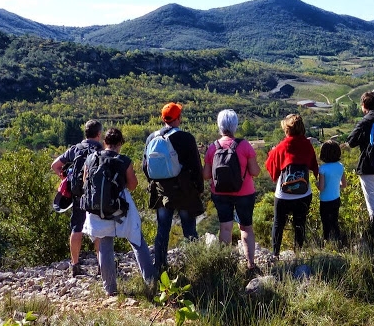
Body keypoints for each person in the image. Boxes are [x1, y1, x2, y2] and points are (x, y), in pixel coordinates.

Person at [82, 128, 156, 296]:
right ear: (120, 143)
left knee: (105, 246)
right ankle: (150, 283)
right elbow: (132, 185)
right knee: (137, 241)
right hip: (120, 207)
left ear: (104, 143)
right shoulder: (124, 160)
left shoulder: (91, 158)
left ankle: (110, 289)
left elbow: (85, 182)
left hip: (97, 209)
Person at [143, 102, 205, 272]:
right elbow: (196, 166)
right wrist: (199, 188)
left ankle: (160, 265)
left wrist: (156, 183)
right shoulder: (186, 138)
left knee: (162, 228)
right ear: (179, 118)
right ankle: (196, 264)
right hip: (184, 191)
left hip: (162, 191)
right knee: (189, 228)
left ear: (163, 118)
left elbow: (144, 166)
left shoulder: (151, 138)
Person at [202, 109, 261, 271]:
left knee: (225, 227)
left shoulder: (213, 148)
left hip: (220, 193)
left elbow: (206, 175)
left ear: (219, 126)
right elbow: (255, 172)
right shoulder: (245, 146)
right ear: (235, 125)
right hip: (245, 193)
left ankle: (225, 266)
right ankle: (250, 265)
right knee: (246, 227)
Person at [50, 119, 103, 277]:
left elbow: (55, 165)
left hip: (78, 194)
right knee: (98, 229)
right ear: (99, 134)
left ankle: (75, 265)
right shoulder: (101, 149)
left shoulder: (75, 149)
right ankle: (102, 265)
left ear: (85, 133)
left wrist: (65, 178)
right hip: (95, 194)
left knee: (77, 228)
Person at [265, 114, 318, 258]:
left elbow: (271, 166)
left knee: (278, 224)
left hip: (283, 194)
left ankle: (275, 254)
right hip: (304, 193)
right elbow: (314, 165)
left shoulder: (281, 146)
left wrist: (272, 151)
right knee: (299, 224)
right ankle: (298, 254)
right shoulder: (307, 144)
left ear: (287, 129)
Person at [346, 91, 374, 231]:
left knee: (372, 204)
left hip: (368, 166)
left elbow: (351, 142)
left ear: (364, 105)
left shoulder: (365, 121)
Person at [317, 140, 346, 242]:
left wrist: (317, 183)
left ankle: (327, 241)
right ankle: (338, 240)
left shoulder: (322, 169)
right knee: (334, 221)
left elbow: (321, 187)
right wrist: (335, 185)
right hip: (336, 198)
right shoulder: (340, 166)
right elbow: (344, 185)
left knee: (326, 223)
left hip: (325, 201)